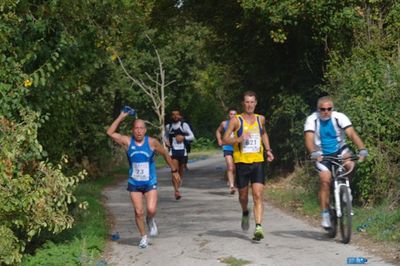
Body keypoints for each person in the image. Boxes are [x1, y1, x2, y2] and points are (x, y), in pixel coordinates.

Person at [107, 111, 180, 248]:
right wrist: (121, 116)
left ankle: (150, 219)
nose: (139, 131)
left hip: (149, 182)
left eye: (141, 128)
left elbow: (165, 153)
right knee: (138, 211)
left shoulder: (152, 142)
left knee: (151, 210)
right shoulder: (127, 142)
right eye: (136, 128)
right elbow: (110, 133)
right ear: (132, 130)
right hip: (134, 183)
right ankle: (143, 237)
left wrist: (174, 170)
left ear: (145, 130)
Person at [304, 96, 368, 229]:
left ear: (332, 109)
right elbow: (309, 139)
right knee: (325, 179)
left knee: (350, 164)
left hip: (340, 150)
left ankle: (346, 189)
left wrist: (362, 149)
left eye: (329, 109)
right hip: (321, 153)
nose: (326, 112)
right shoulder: (312, 119)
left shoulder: (339, 117)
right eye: (322, 109)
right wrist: (313, 153)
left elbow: (351, 134)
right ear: (318, 109)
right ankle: (325, 214)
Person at [222, 91, 274, 241]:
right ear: (243, 104)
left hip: (258, 162)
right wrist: (238, 139)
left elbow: (263, 134)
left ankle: (258, 227)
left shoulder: (260, 119)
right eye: (247, 102)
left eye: (252, 102)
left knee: (258, 195)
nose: (249, 105)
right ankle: (245, 212)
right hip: (241, 163)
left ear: (256, 103)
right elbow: (225, 140)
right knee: (243, 196)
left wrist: (268, 150)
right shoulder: (236, 121)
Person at [164, 109, 195, 200]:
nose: (175, 116)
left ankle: (178, 184)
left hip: (183, 151)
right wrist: (166, 142)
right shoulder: (168, 126)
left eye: (177, 115)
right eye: (173, 115)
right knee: (174, 171)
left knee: (180, 172)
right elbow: (165, 136)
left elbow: (192, 136)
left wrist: (183, 137)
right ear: (171, 116)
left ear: (180, 116)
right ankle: (176, 191)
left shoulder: (184, 125)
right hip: (173, 151)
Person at [216, 108, 237, 194]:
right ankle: (231, 186)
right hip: (227, 147)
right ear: (229, 115)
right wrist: (219, 140)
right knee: (230, 166)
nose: (232, 115)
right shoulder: (224, 123)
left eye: (234, 114)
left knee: (235, 168)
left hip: (236, 148)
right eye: (231, 114)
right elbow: (218, 131)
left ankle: (231, 180)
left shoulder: (240, 123)